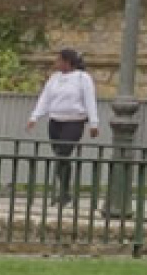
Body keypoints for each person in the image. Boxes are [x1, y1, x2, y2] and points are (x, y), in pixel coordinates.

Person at [24, 47, 103, 201]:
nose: (56, 63)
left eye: (59, 60)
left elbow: (90, 100)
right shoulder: (54, 78)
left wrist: (94, 123)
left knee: (63, 154)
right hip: (55, 121)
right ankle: (64, 190)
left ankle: (65, 192)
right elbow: (45, 98)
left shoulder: (82, 78)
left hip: (74, 122)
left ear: (68, 62)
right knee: (60, 157)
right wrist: (35, 116)